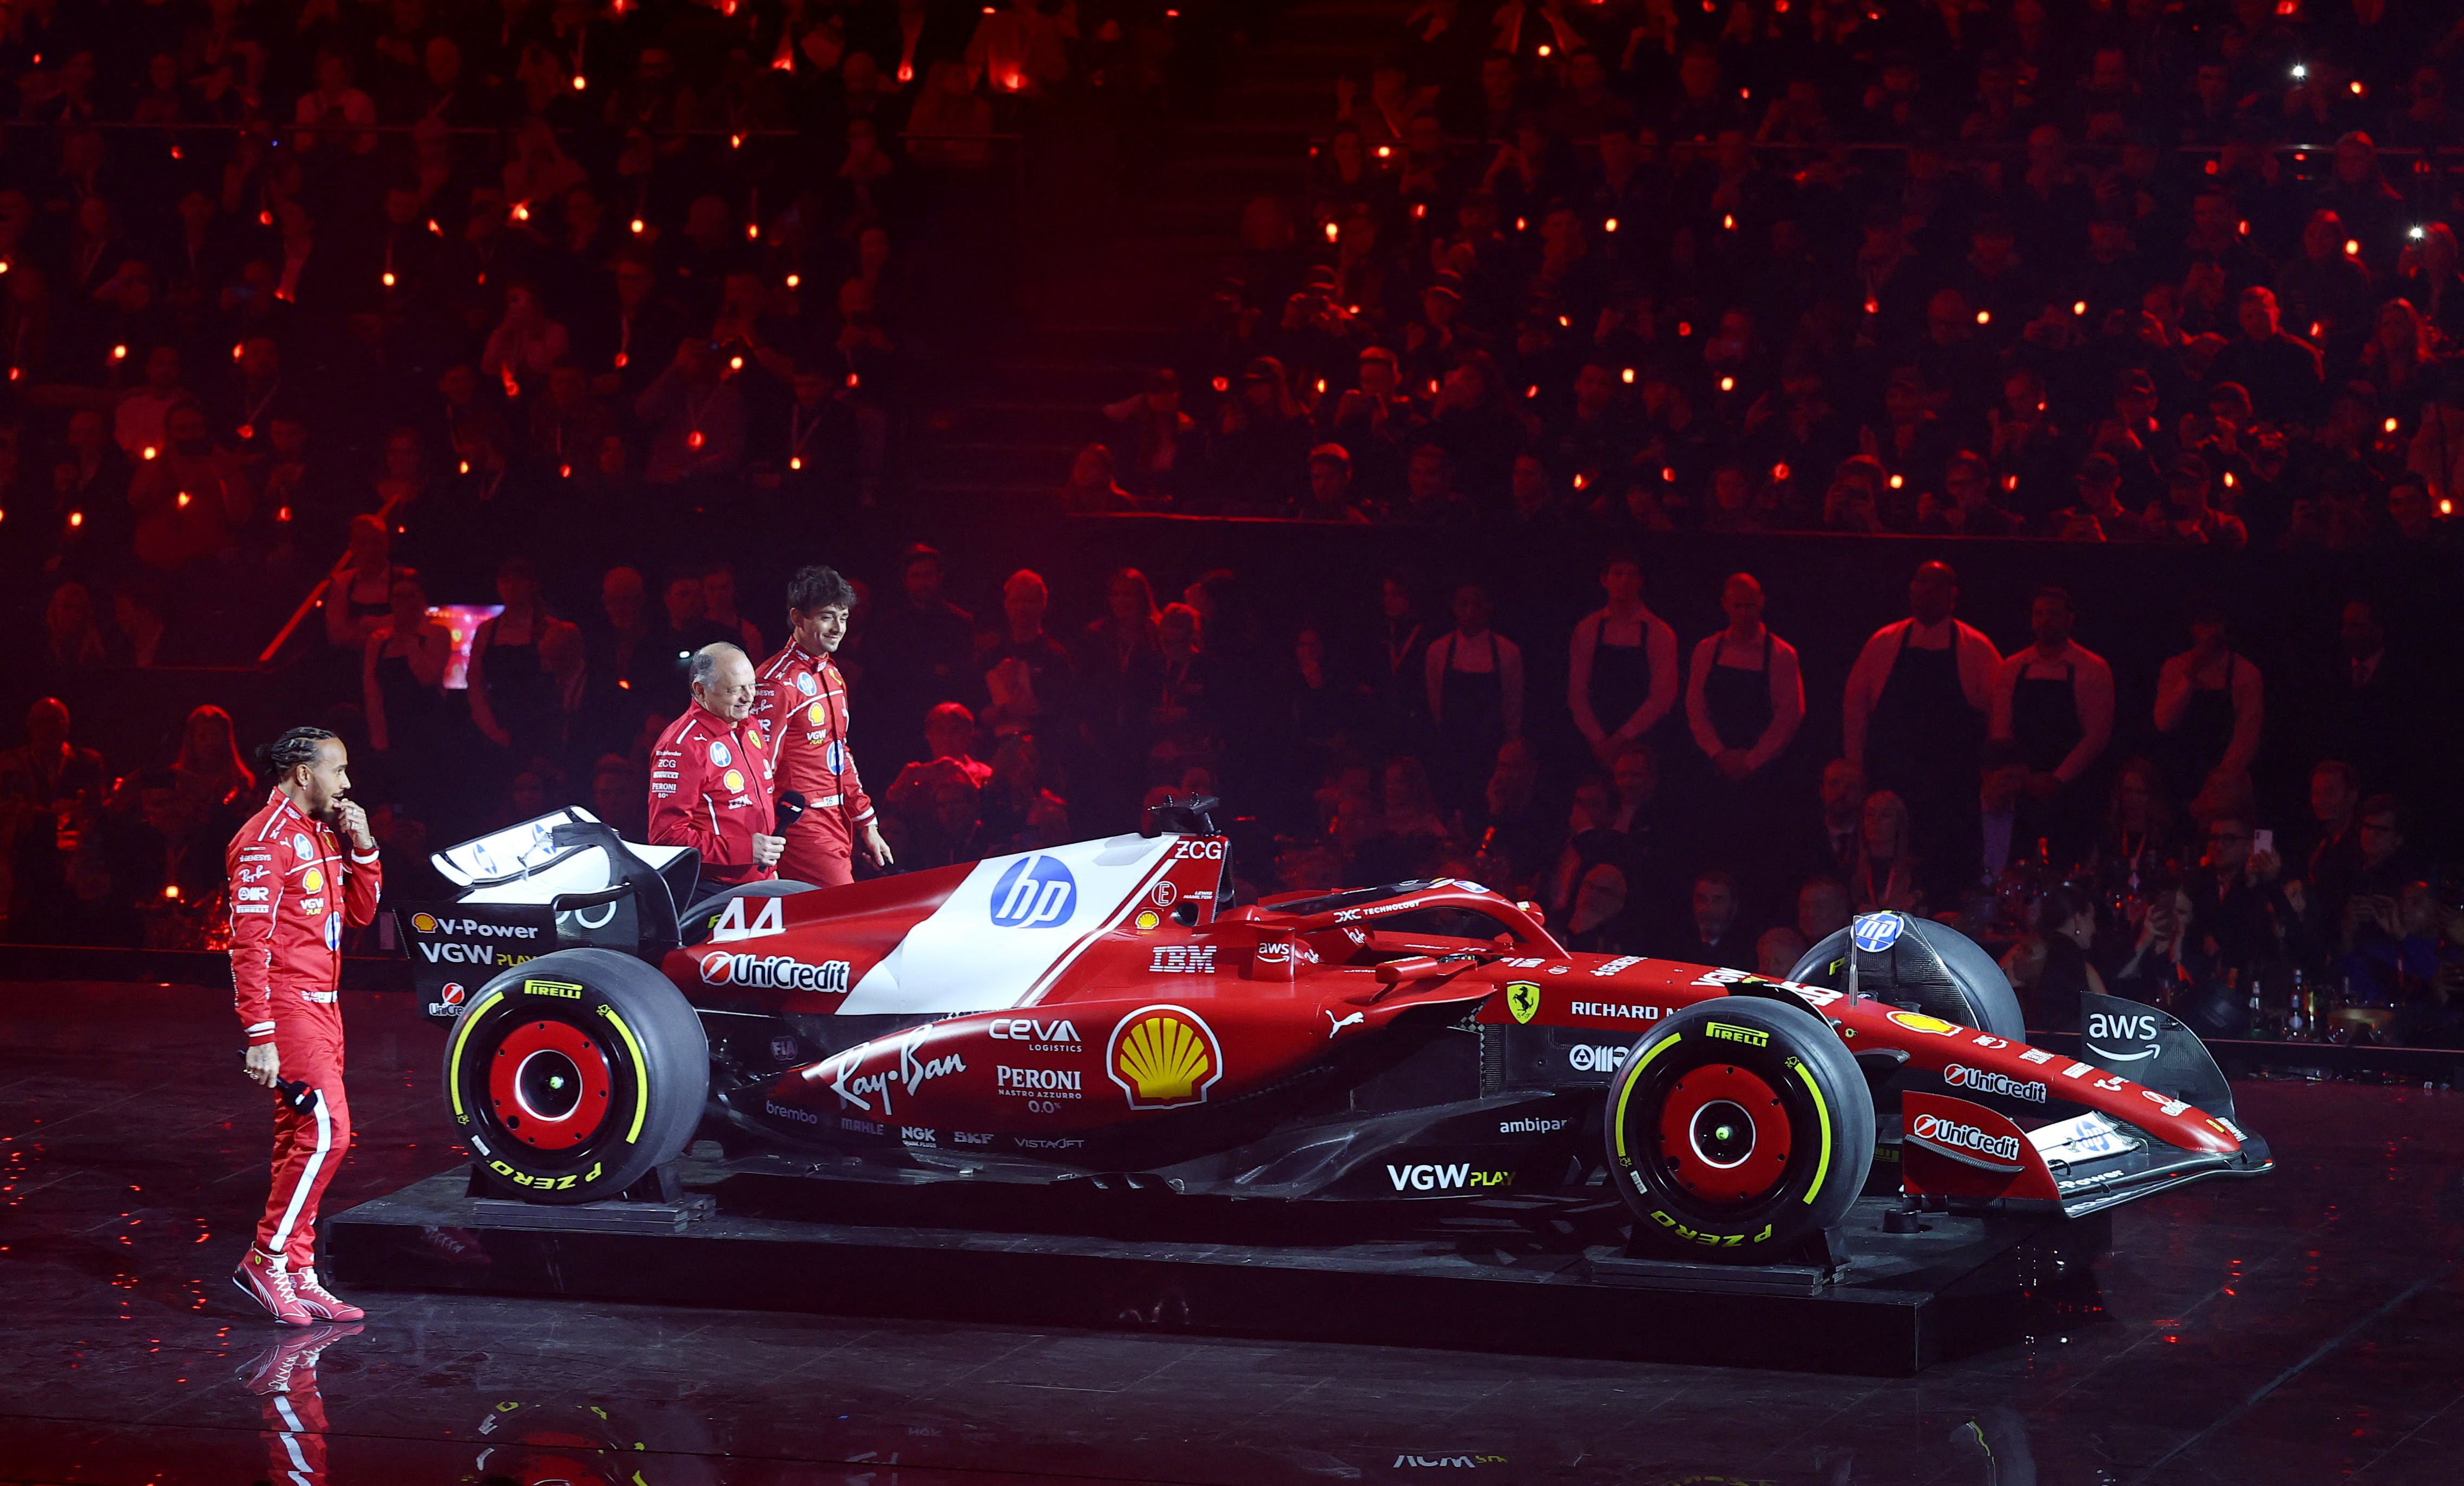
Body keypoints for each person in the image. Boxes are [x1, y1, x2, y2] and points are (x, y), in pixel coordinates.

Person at [227, 726, 381, 1327]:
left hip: (327, 1005)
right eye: (338, 771)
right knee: (328, 1132)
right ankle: (266, 1259)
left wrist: (363, 846)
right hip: (289, 1007)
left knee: (299, 1137)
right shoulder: (263, 841)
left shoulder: (319, 834)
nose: (346, 784)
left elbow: (362, 914)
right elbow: (247, 944)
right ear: (301, 774)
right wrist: (260, 1033)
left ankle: (297, 1267)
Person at [1842, 561, 1999, 873]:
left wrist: (1993, 777)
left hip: (1953, 788)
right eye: (1920, 582)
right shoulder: (1883, 643)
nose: (1926, 591)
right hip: (1892, 781)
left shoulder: (1977, 648)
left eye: (1936, 585)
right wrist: (1854, 768)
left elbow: (1999, 717)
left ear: (1952, 594)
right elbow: (1855, 709)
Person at [752, 567, 892, 888]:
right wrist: (759, 837)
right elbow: (759, 766)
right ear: (798, 618)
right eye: (827, 617)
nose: (838, 628)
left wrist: (866, 822)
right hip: (799, 824)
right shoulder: (775, 682)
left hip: (837, 819)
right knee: (842, 911)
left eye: (843, 618)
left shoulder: (831, 673)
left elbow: (838, 751)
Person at [1683, 571, 1804, 866]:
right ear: (1725, 605)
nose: (1743, 614)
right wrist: (1718, 753)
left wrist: (1751, 761)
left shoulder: (1781, 654)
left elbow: (1790, 714)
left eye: (1749, 606)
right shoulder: (1706, 650)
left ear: (1761, 603)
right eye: (1737, 607)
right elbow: (1695, 707)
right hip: (1715, 769)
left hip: (1763, 775)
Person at [1986, 586, 2113, 857]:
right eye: (2039, 614)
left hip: (2074, 789)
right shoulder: (2013, 666)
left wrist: (2057, 779)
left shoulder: (2092, 668)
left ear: (2070, 620)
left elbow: (2097, 737)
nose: (2045, 621)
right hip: (2022, 788)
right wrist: (2022, 778)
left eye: (2053, 614)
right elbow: (2001, 732)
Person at [649, 645, 781, 903]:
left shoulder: (749, 725)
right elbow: (667, 838)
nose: (748, 698)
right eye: (735, 690)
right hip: (713, 892)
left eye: (752, 686)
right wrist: (745, 850)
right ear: (700, 691)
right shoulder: (681, 746)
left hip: (761, 883)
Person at [1567, 554, 1678, 769]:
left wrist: (1621, 740)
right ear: (1604, 580)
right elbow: (1577, 692)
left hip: (1642, 742)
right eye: (1618, 574)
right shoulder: (1587, 629)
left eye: (1631, 575)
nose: (1624, 582)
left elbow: (1662, 698)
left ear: (1640, 581)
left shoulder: (1659, 633)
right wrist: (1599, 740)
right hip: (1594, 741)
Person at [2153, 601, 2263, 807]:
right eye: (2205, 623)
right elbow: (2163, 722)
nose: (2212, 631)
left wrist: (2218, 786)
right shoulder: (2175, 667)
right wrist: (2189, 678)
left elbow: (2247, 737)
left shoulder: (2246, 673)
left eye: (2217, 623)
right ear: (2192, 627)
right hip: (2181, 778)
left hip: (2228, 781)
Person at [1425, 582, 1524, 810]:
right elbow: (1435, 703)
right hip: (1452, 751)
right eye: (1464, 605)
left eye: (1477, 605)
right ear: (1454, 608)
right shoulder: (1438, 651)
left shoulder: (1507, 652)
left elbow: (1513, 704)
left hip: (1490, 750)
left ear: (1488, 607)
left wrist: (1510, 748)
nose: (1470, 612)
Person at [2000, 884, 2104, 1033]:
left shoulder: (2019, 952)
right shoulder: (2081, 965)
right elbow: (2107, 1019)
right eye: (2092, 919)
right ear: (2077, 919)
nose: (2094, 928)